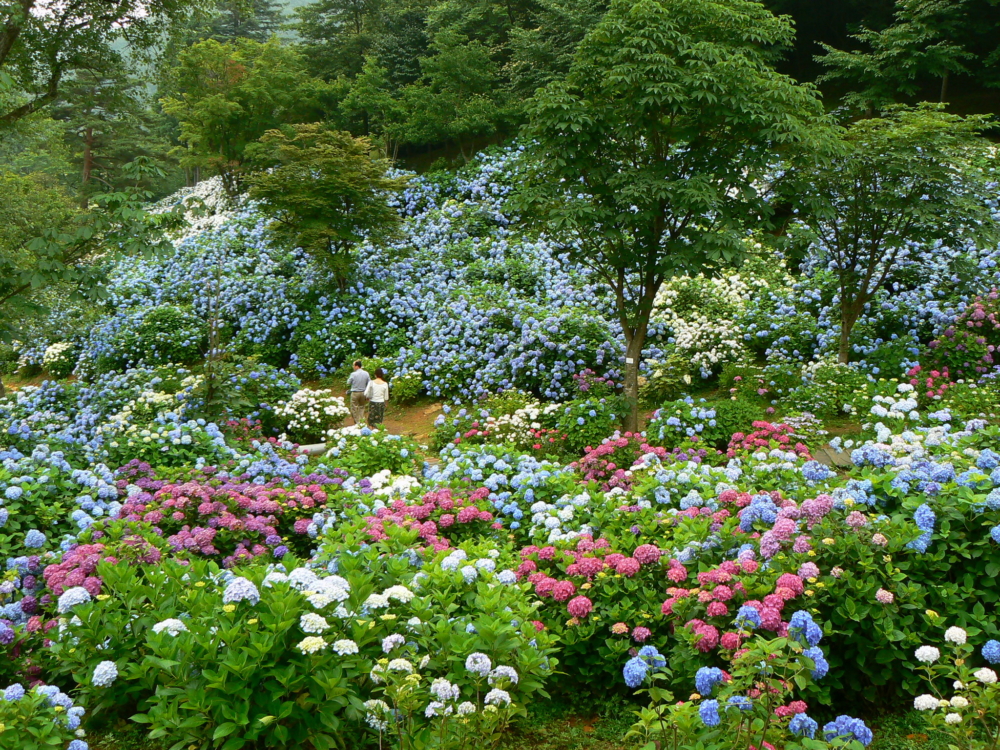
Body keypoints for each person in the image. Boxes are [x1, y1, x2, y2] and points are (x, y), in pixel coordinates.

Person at [347, 360, 370, 426]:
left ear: (357, 366)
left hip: (355, 393)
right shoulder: (366, 373)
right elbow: (369, 383)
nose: (353, 367)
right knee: (362, 407)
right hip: (363, 393)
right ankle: (362, 420)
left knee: (354, 407)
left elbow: (348, 382)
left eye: (353, 365)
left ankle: (357, 422)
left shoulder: (353, 374)